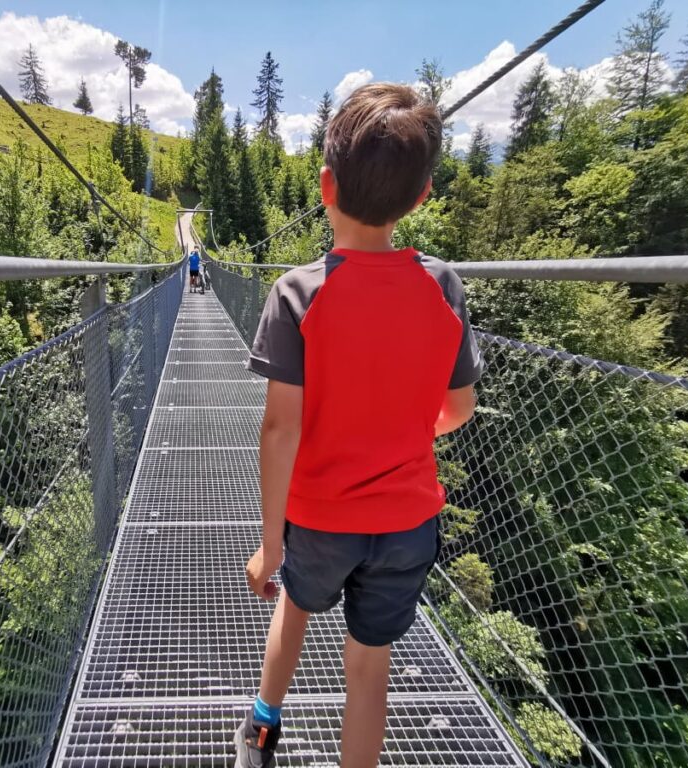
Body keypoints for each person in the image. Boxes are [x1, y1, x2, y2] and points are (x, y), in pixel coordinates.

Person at [235, 83, 483, 768]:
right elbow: (457, 411)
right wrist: (398, 430)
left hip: (318, 519)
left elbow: (280, 430)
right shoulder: (444, 287)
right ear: (423, 194)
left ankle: (261, 732)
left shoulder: (297, 292)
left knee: (295, 607)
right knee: (370, 672)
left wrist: (270, 545)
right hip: (407, 525)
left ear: (325, 185)